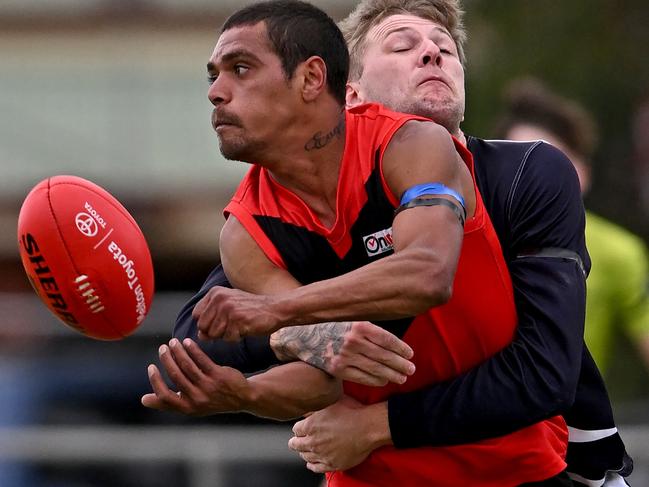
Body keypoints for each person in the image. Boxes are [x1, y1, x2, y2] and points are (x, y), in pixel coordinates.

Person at [149, 0, 633, 486]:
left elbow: (538, 369)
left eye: (446, 48)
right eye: (402, 45)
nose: (431, 54)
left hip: (544, 466)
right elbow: (212, 333)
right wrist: (253, 386)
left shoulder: (519, 172)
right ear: (348, 90)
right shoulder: (253, 223)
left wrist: (375, 422)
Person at [494, 77, 649, 376]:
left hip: (572, 420)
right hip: (476, 418)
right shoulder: (463, 241)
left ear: (583, 173)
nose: (532, 178)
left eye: (549, 162)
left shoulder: (619, 251)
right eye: (516, 161)